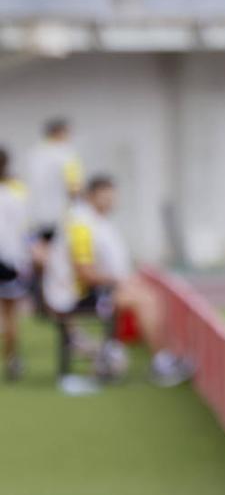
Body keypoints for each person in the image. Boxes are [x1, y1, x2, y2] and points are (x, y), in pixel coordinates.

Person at [42, 175, 192, 388]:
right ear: (91, 196)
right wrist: (119, 281)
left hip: (84, 291)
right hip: (72, 297)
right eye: (106, 197)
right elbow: (85, 273)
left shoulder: (94, 221)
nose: (111, 202)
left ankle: (118, 353)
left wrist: (122, 280)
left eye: (113, 197)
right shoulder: (81, 225)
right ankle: (161, 363)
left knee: (143, 293)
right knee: (145, 299)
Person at [25, 118, 83, 314]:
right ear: (59, 133)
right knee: (60, 266)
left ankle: (39, 302)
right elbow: (74, 188)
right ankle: (59, 306)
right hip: (59, 219)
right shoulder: (66, 154)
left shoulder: (33, 154)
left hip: (35, 218)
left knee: (41, 262)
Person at [0, 147, 31, 381]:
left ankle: (12, 360)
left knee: (9, 315)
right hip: (9, 260)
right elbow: (23, 232)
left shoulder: (14, 194)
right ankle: (12, 360)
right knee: (10, 315)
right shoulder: (14, 195)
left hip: (8, 259)